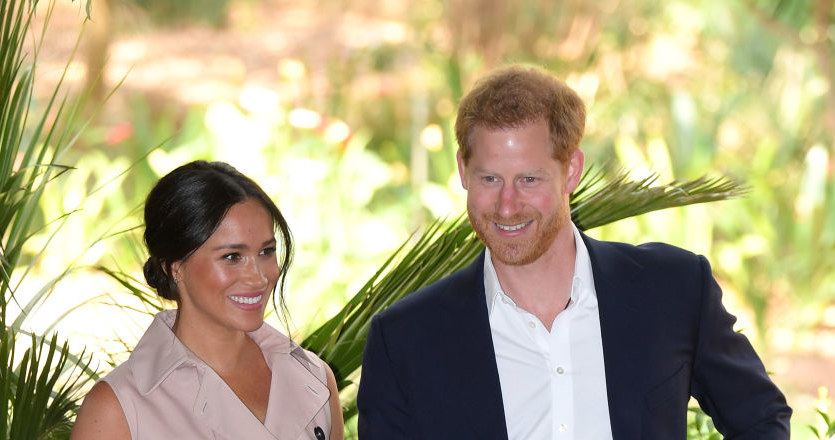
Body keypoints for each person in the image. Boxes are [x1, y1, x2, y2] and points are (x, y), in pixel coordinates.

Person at [357, 66, 791, 439]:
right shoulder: (405, 341)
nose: (507, 206)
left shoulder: (673, 291)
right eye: (490, 179)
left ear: (572, 172)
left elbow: (761, 419)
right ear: (462, 172)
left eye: (529, 180)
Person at [72, 161, 343, 440]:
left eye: (266, 251)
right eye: (232, 257)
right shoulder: (117, 410)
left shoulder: (315, 378)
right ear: (174, 266)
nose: (259, 277)